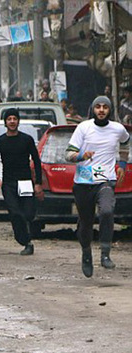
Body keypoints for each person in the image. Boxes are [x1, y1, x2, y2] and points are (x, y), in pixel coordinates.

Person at [65, 96, 130, 278]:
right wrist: (81, 156)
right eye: (98, 107)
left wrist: (122, 165)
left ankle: (105, 253)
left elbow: (126, 142)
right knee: (86, 223)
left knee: (107, 211)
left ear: (110, 110)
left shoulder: (118, 129)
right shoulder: (83, 128)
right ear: (93, 109)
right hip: (84, 182)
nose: (101, 110)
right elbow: (68, 154)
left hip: (105, 180)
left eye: (105, 107)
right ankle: (86, 253)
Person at [0, 108, 43, 255]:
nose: (12, 121)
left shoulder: (27, 140)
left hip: (25, 181)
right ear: (5, 122)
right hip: (8, 183)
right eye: (9, 119)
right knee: (15, 212)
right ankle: (25, 241)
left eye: (14, 119)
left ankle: (24, 233)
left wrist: (38, 182)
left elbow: (36, 161)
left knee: (28, 213)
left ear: (18, 121)